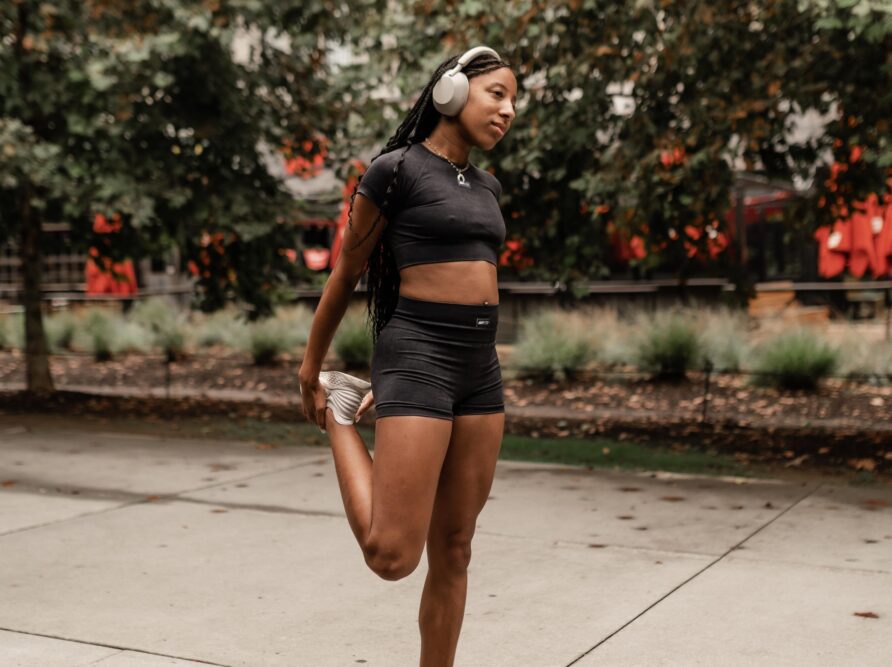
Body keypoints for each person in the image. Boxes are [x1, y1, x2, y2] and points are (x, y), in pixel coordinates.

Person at [298, 45, 517, 666]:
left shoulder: (488, 185)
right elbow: (345, 274)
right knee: (392, 555)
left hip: (479, 367)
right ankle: (343, 414)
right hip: (418, 353)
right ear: (451, 91)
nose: (507, 111)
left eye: (514, 101)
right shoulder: (394, 171)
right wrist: (311, 369)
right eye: (496, 93)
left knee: (456, 547)